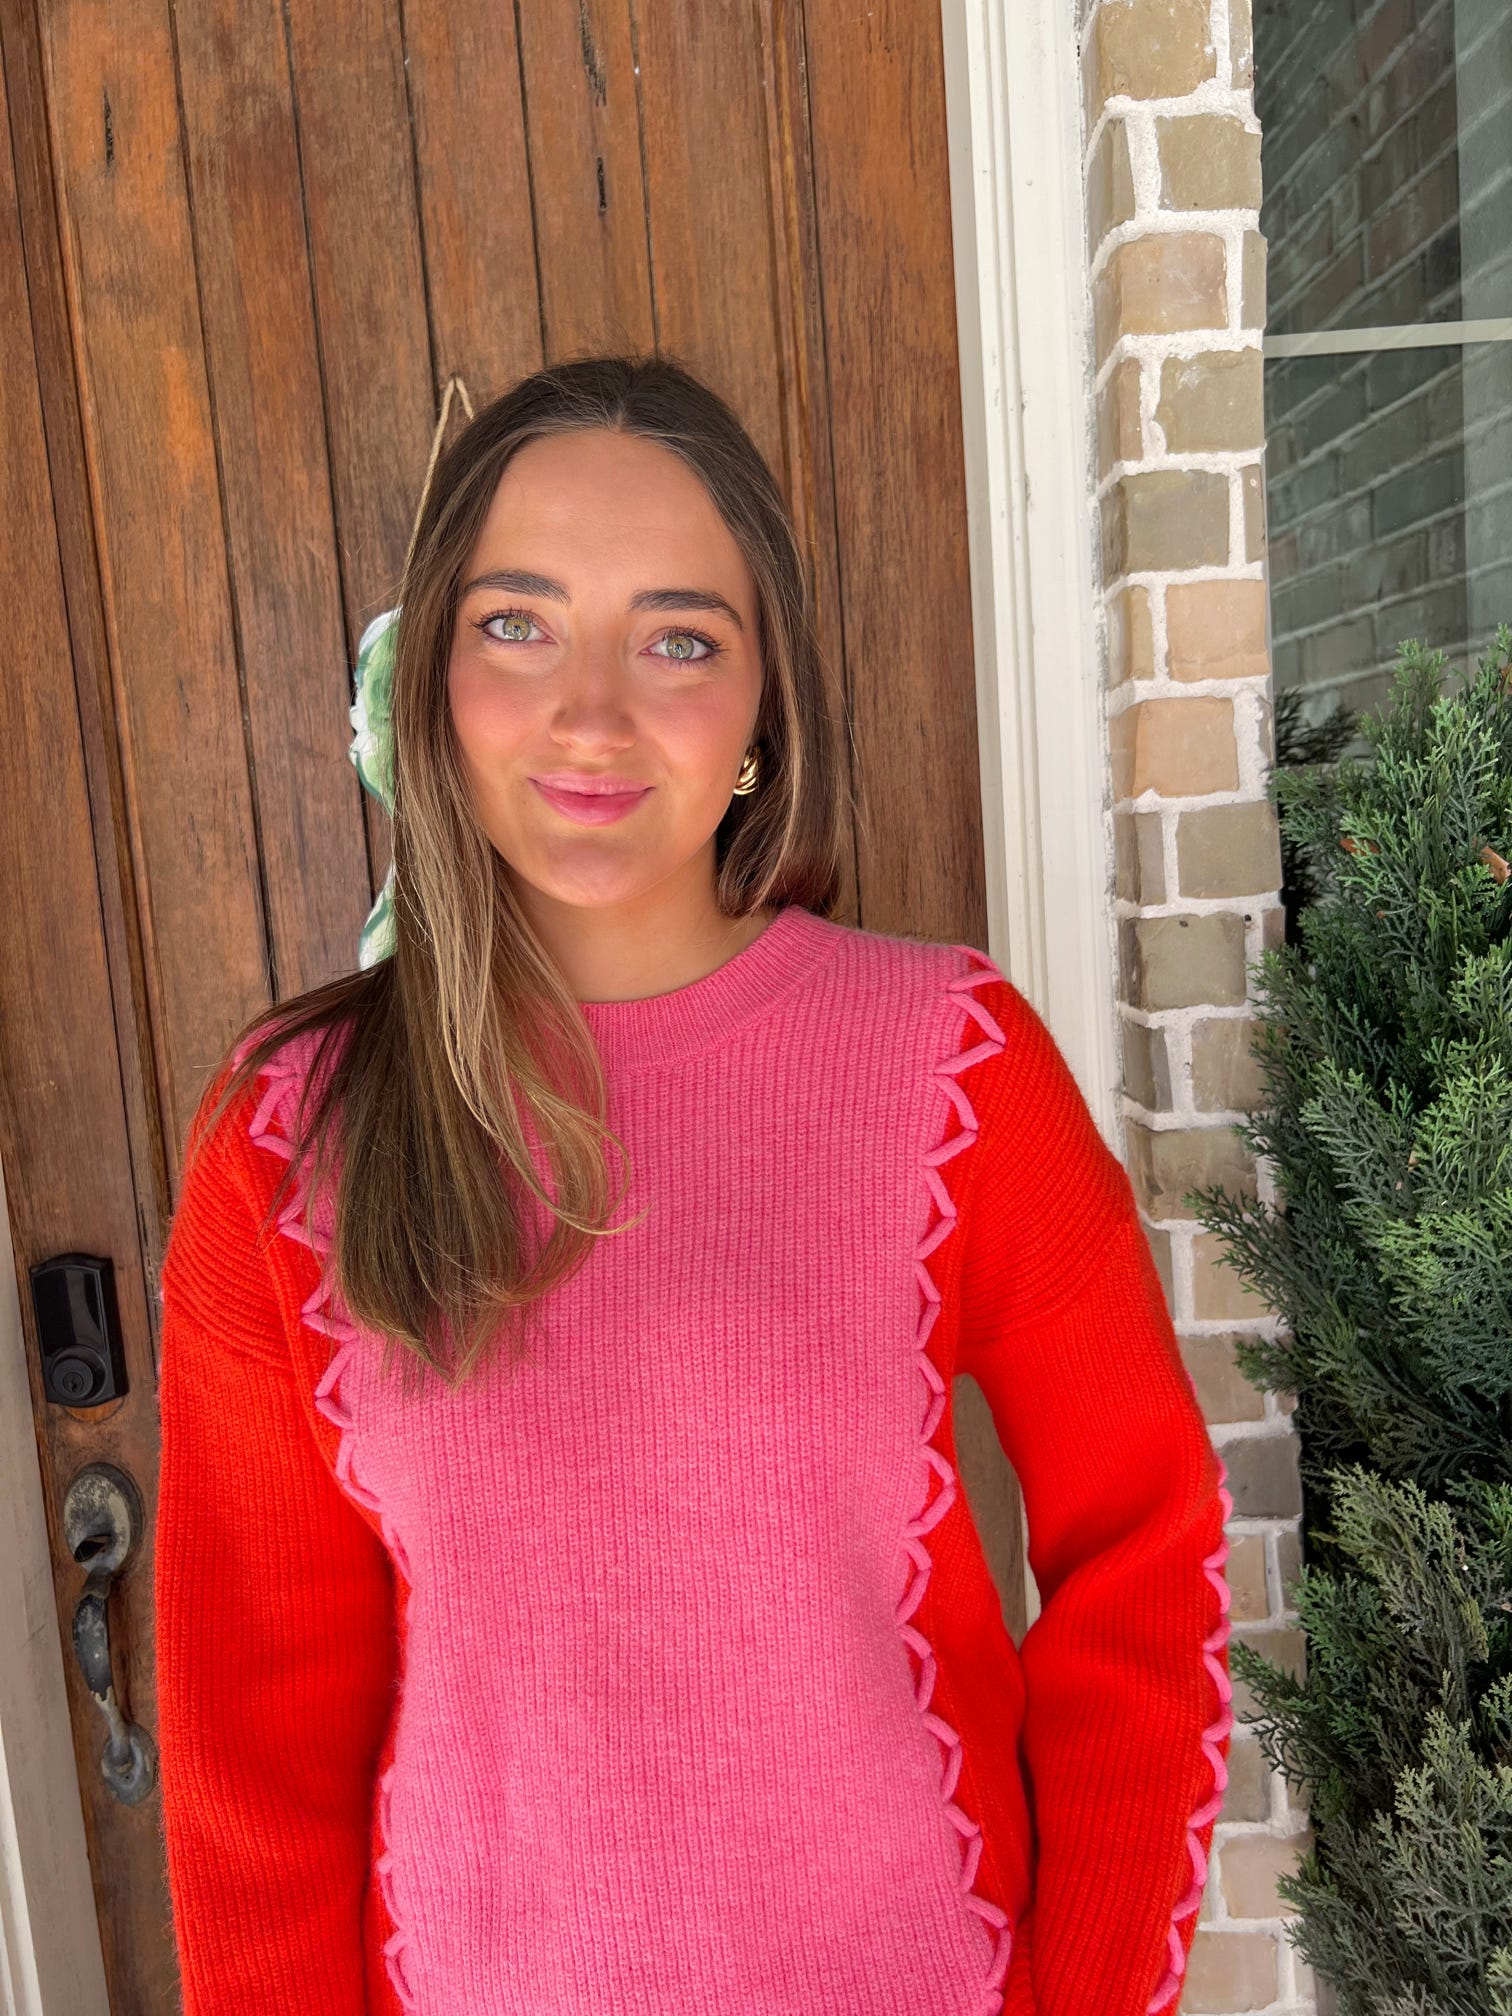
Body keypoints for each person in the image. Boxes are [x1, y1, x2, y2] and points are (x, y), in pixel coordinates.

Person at [154, 352, 1233, 2016]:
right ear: (433, 677)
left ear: (761, 709)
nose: (592, 711)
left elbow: (1147, 1555)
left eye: (678, 639)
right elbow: (255, 1774)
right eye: (518, 623)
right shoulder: (287, 1143)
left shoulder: (952, 1066)